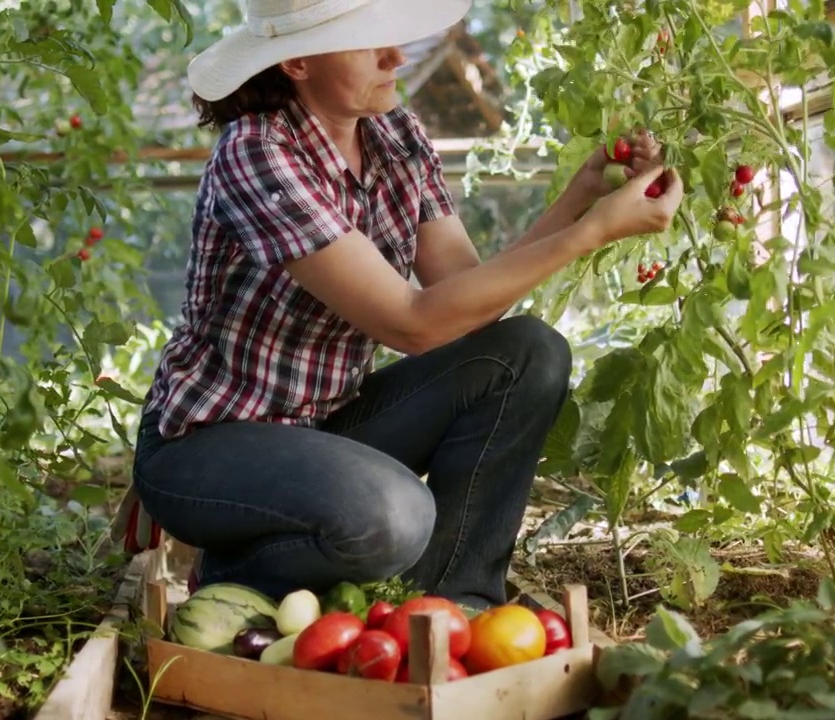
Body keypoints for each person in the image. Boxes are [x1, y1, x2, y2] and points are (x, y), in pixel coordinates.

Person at [127, 0, 684, 610]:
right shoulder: (259, 155)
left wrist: (579, 201)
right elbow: (413, 324)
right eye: (367, 43)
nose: (395, 56)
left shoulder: (394, 132)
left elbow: (467, 299)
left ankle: (454, 600)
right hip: (208, 445)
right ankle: (240, 574)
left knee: (528, 353)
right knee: (392, 518)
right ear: (296, 62)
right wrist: (591, 232)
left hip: (325, 424)